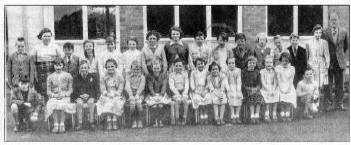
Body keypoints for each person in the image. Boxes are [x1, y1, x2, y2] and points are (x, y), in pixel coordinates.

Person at [322, 12, 349, 111]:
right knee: (328, 84)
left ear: (338, 20)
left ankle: (339, 103)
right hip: (329, 62)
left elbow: (346, 47)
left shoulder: (344, 32)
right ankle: (329, 104)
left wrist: (341, 57)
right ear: (329, 21)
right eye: (332, 20)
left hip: (340, 62)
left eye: (335, 19)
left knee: (340, 84)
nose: (334, 22)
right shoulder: (325, 32)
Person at [31, 28, 61, 103]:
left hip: (52, 71)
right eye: (45, 36)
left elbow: (60, 58)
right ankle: (44, 107)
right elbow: (33, 63)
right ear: (41, 37)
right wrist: (35, 74)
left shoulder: (55, 46)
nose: (47, 38)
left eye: (49, 36)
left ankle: (52, 106)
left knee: (53, 88)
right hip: (41, 72)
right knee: (43, 90)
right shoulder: (36, 47)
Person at [45, 58, 75, 133]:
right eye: (56, 65)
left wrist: (64, 94)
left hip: (64, 96)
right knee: (54, 103)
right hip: (54, 96)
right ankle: (56, 124)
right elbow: (48, 91)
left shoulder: (68, 75)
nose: (58, 67)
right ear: (54, 66)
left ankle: (62, 124)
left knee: (62, 103)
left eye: (60, 65)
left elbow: (70, 89)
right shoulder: (50, 77)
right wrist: (54, 95)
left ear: (63, 66)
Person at [306, 24, 330, 112]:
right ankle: (312, 105)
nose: (318, 34)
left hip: (321, 66)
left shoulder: (324, 42)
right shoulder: (309, 42)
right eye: (316, 32)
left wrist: (327, 67)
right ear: (313, 32)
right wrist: (308, 65)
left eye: (320, 33)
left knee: (320, 86)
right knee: (313, 85)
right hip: (312, 66)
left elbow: (327, 55)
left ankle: (318, 105)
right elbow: (307, 55)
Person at [96, 59, 125, 131]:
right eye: (108, 67)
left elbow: (121, 87)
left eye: (112, 66)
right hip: (107, 93)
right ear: (106, 67)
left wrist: (116, 93)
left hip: (116, 93)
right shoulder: (103, 76)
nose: (110, 68)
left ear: (115, 66)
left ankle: (114, 119)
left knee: (116, 101)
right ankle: (109, 119)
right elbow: (102, 87)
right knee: (106, 101)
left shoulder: (119, 76)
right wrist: (106, 93)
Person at [71, 60, 100, 130]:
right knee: (79, 103)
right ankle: (80, 123)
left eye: (85, 68)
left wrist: (89, 95)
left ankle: (91, 122)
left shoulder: (93, 77)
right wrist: (80, 95)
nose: (84, 69)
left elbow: (96, 90)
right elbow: (74, 90)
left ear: (88, 68)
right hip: (79, 97)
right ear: (79, 69)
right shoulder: (76, 78)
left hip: (90, 96)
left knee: (91, 102)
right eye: (82, 68)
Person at [145, 58, 171, 127]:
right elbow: (150, 87)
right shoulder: (150, 76)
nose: (156, 70)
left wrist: (161, 95)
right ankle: (155, 121)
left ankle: (160, 120)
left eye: (158, 68)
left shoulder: (164, 75)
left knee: (160, 105)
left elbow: (164, 86)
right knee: (154, 106)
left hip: (161, 94)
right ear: (152, 68)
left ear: (161, 67)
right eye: (155, 68)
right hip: (152, 95)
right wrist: (154, 95)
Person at [242, 56, 264, 124]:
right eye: (250, 63)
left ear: (256, 64)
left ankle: (256, 115)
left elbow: (260, 84)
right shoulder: (244, 71)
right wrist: (248, 89)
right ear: (247, 64)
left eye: (253, 63)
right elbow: (243, 83)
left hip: (255, 89)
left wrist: (256, 89)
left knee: (259, 97)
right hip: (247, 90)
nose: (252, 64)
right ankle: (252, 116)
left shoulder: (257, 72)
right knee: (251, 98)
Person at [275, 52, 297, 122]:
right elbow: (278, 79)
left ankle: (287, 114)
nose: (285, 62)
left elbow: (291, 80)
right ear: (281, 60)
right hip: (280, 85)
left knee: (289, 96)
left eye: (287, 61)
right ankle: (282, 114)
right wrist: (281, 89)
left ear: (289, 61)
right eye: (283, 61)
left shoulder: (292, 68)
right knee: (281, 96)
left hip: (288, 85)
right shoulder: (278, 68)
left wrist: (289, 89)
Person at [190, 58, 211, 124]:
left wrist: (205, 90)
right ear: (196, 65)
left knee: (207, 97)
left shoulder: (207, 72)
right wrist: (197, 91)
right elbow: (192, 84)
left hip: (205, 90)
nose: (200, 65)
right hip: (196, 90)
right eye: (198, 64)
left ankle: (206, 115)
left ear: (204, 64)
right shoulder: (193, 73)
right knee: (197, 98)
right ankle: (201, 115)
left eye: (202, 64)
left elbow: (208, 82)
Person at [125, 60, 146, 128]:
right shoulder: (128, 76)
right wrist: (131, 95)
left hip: (140, 93)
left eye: (137, 69)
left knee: (138, 103)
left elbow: (141, 86)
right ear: (131, 69)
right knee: (132, 104)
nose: (136, 71)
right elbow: (127, 86)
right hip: (131, 93)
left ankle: (139, 120)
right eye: (134, 69)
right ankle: (133, 120)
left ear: (140, 69)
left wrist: (137, 95)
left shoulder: (142, 77)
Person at [169, 58, 189, 125]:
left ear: (183, 67)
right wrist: (177, 93)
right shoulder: (171, 75)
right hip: (175, 92)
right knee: (177, 100)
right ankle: (177, 117)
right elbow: (171, 86)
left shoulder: (185, 74)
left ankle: (184, 117)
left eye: (180, 66)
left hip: (183, 91)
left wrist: (184, 93)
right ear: (174, 66)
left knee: (185, 100)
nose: (178, 67)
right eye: (176, 65)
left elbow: (187, 84)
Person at [260, 56, 279, 122]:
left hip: (272, 87)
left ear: (273, 63)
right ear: (264, 63)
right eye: (267, 62)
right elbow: (263, 82)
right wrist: (268, 90)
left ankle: (274, 114)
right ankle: (267, 115)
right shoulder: (262, 71)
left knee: (276, 94)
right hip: (265, 88)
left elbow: (275, 82)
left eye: (270, 62)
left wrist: (273, 89)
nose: (269, 64)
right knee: (266, 96)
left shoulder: (274, 71)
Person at [225, 57, 243, 124]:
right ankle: (233, 115)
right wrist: (228, 90)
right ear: (227, 64)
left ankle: (237, 115)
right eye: (229, 63)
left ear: (235, 64)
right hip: (229, 87)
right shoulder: (226, 71)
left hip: (237, 87)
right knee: (231, 98)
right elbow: (226, 81)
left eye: (233, 63)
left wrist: (238, 90)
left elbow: (239, 81)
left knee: (239, 97)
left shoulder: (238, 70)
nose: (231, 65)